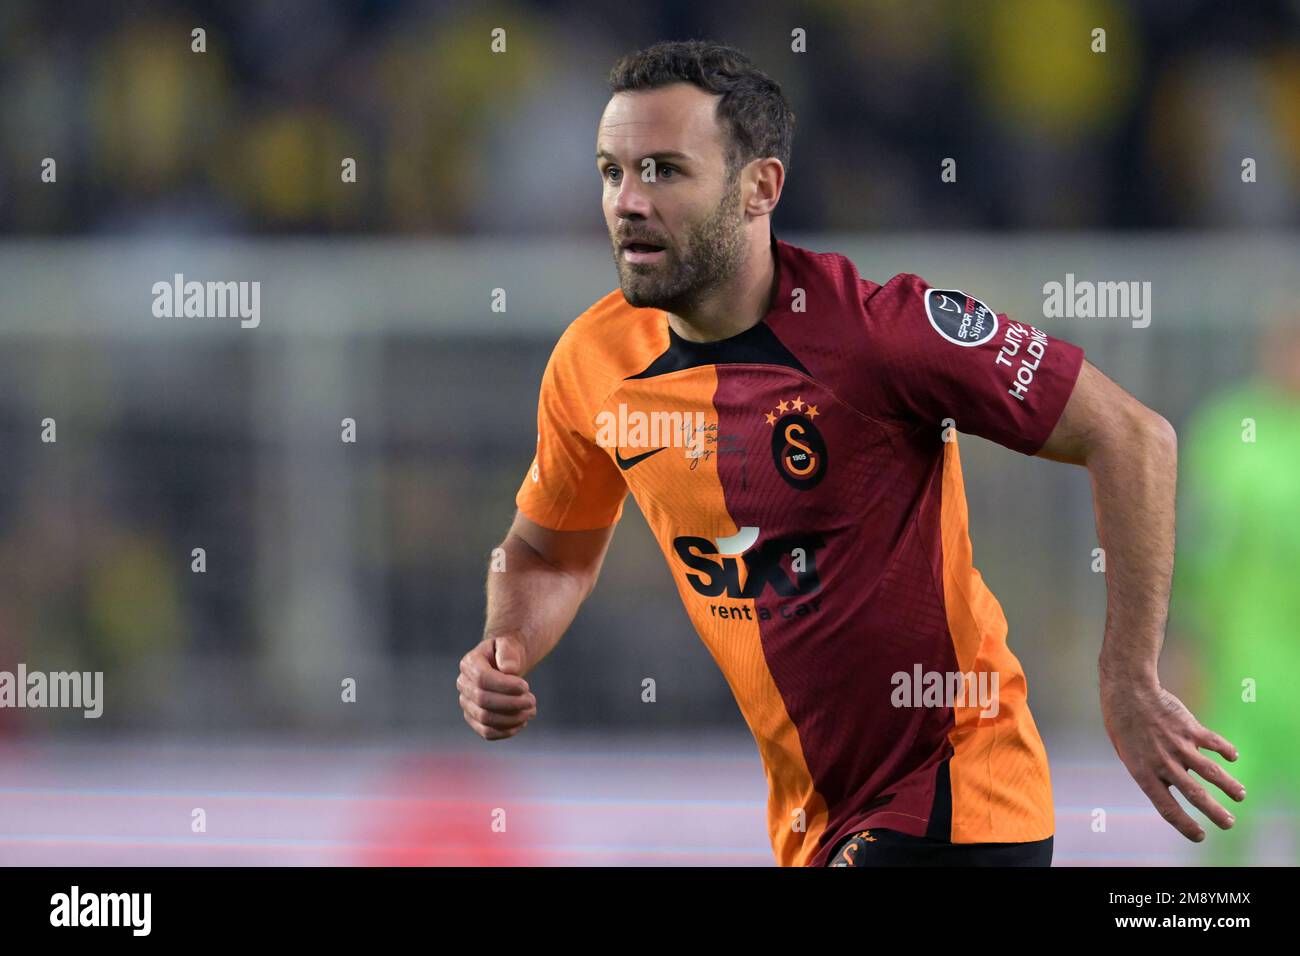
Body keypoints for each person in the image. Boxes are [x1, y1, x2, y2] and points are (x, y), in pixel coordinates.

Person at [457, 40, 1244, 867]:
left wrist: (1128, 680)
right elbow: (547, 551)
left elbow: (1132, 436)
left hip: (958, 793)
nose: (627, 202)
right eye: (611, 172)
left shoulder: (880, 333)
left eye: (663, 171)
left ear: (758, 188)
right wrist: (505, 645)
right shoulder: (591, 363)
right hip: (817, 823)